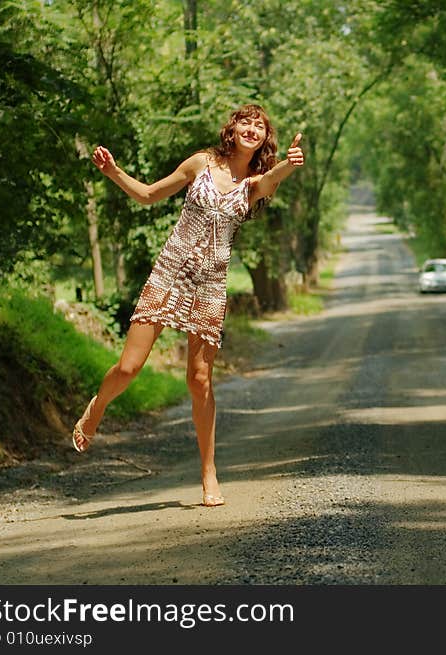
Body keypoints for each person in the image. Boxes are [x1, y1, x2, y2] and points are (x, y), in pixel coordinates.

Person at [71, 104, 305, 507]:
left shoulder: (254, 182)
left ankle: (208, 471)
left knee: (199, 380)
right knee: (129, 367)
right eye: (245, 122)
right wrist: (113, 172)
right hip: (169, 272)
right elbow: (148, 195)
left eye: (260, 126)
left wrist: (289, 164)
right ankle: (98, 406)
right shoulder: (201, 162)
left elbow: (269, 181)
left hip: (210, 285)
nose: (252, 128)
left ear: (265, 139)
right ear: (232, 129)